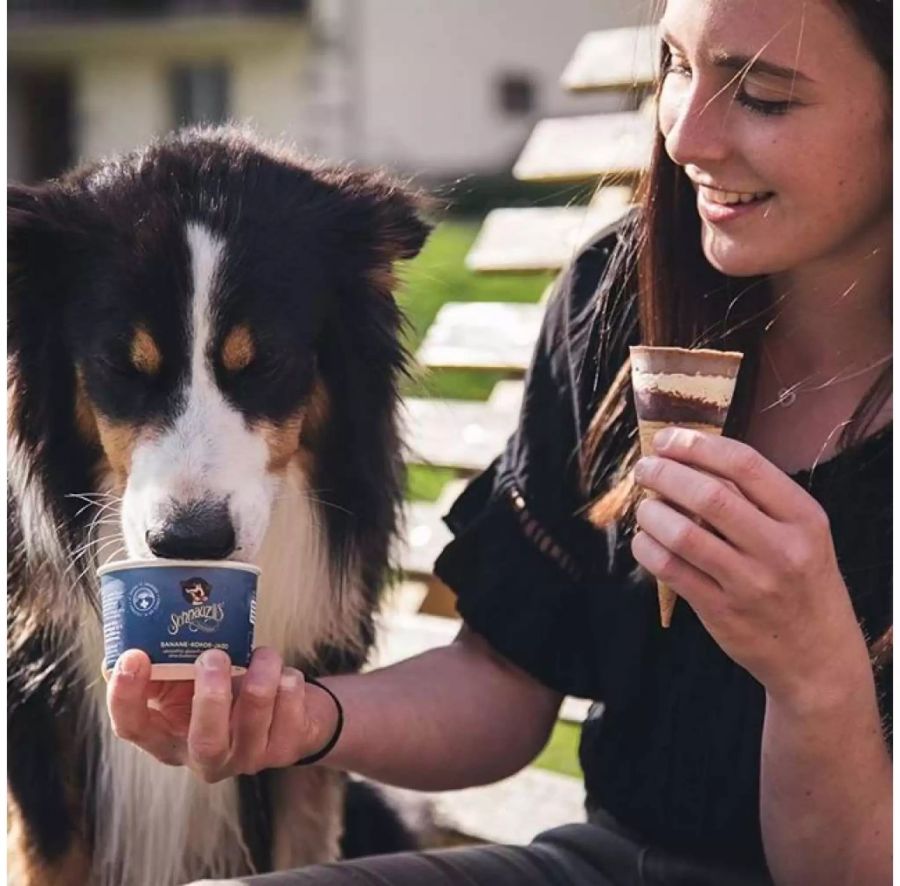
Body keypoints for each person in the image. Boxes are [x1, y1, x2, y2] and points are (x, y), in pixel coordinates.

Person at [108, 0, 892, 883]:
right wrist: (299, 718)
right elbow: (505, 680)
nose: (687, 136)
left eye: (766, 96)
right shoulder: (624, 297)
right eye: (675, 65)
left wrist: (818, 679)